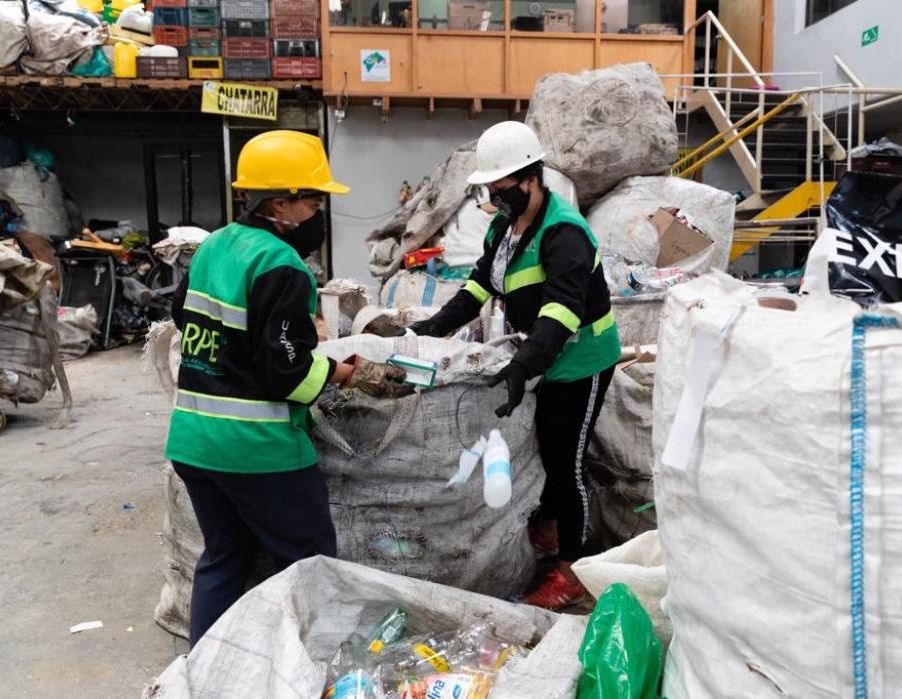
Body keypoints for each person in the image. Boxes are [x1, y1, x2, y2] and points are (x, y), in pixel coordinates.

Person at [164, 130, 408, 646]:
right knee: (310, 561)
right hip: (257, 449)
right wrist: (352, 375)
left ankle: (207, 672)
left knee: (224, 557)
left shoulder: (213, 245)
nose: (319, 211)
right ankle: (309, 665)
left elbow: (186, 317)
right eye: (313, 199)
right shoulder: (281, 265)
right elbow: (289, 374)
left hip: (192, 439)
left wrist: (239, 360)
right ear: (280, 203)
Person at [410, 121, 621, 611]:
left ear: (531, 178)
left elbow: (562, 313)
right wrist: (430, 330)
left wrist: (523, 366)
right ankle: (547, 530)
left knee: (567, 462)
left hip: (583, 358)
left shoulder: (565, 233)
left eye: (501, 190)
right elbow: (480, 287)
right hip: (547, 354)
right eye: (489, 190)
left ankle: (574, 569)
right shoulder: (504, 228)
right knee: (546, 444)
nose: (493, 199)